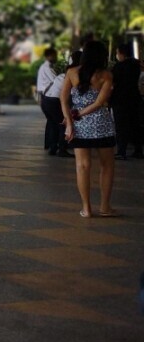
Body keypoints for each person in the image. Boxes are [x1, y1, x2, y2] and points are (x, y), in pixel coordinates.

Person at [61, 40, 117, 218]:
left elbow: (63, 100)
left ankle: (86, 208)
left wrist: (71, 121)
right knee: (106, 166)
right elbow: (100, 103)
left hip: (80, 127)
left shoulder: (71, 72)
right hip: (102, 125)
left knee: (82, 166)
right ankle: (105, 207)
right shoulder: (106, 75)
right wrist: (78, 115)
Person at [42, 51, 80, 158]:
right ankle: (62, 150)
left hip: (46, 99)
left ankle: (53, 148)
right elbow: (71, 95)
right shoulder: (74, 73)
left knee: (54, 124)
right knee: (64, 123)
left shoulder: (67, 71)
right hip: (54, 100)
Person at [110, 43, 143, 160]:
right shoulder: (136, 65)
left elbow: (112, 83)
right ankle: (138, 150)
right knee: (135, 125)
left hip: (120, 99)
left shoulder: (118, 67)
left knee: (120, 126)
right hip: (134, 97)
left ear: (121, 53)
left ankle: (121, 151)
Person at [36, 47, 58, 150]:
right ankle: (53, 146)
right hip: (48, 96)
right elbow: (55, 80)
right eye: (54, 55)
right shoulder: (47, 68)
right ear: (48, 56)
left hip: (44, 96)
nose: (55, 57)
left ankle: (48, 144)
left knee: (50, 121)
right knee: (54, 121)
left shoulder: (45, 67)